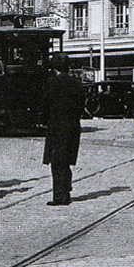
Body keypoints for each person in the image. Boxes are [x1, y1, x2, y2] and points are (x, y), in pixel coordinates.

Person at [41, 53, 85, 206]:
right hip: (73, 125)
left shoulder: (52, 83)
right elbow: (81, 105)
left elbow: (45, 104)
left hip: (57, 126)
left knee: (57, 161)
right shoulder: (76, 83)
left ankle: (60, 196)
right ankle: (66, 189)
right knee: (66, 160)